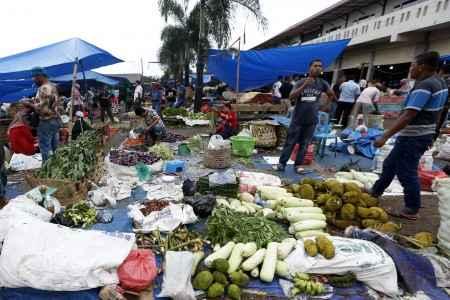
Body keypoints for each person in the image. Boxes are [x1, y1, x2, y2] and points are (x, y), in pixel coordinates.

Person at [371, 51, 449, 220]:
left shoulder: (425, 85)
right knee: (390, 164)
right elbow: (442, 110)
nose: (410, 69)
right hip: (421, 133)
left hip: (414, 136)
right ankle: (376, 192)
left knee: (406, 171)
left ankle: (411, 208)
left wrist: (385, 136)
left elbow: (409, 115)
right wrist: (434, 132)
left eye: (413, 66)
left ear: (421, 67)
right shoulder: (439, 82)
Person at [275, 59, 335, 173]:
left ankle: (298, 166)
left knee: (305, 144)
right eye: (315, 65)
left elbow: (331, 94)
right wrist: (304, 85)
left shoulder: (322, 83)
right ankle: (282, 164)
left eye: (320, 66)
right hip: (298, 119)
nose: (318, 68)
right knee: (290, 142)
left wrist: (326, 106)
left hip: (311, 120)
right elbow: (291, 96)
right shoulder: (300, 82)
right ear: (310, 68)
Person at [24, 67, 61, 161]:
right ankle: (56, 167)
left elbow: (42, 110)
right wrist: (34, 101)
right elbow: (48, 103)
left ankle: (47, 170)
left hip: (46, 121)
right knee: (55, 147)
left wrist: (29, 104)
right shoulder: (53, 86)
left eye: (34, 77)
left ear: (40, 76)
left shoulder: (43, 88)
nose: (33, 80)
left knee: (46, 148)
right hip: (55, 120)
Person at [435, 63, 450, 139]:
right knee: (438, 127)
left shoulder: (440, 81)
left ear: (441, 71)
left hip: (438, 108)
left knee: (434, 127)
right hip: (445, 108)